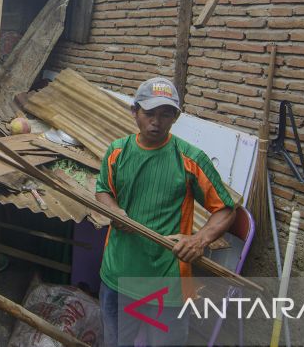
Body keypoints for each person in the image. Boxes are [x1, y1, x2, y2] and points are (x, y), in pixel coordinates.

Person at [95, 77, 236, 347]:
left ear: (175, 117)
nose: (156, 122)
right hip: (117, 275)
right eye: (149, 113)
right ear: (134, 111)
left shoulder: (190, 159)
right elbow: (103, 191)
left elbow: (226, 210)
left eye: (165, 114)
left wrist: (199, 240)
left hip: (167, 284)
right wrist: (114, 211)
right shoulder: (116, 152)